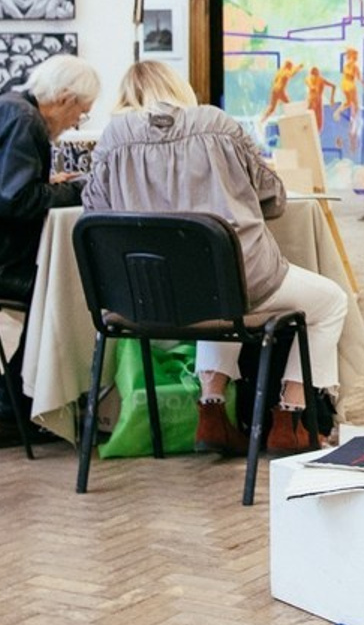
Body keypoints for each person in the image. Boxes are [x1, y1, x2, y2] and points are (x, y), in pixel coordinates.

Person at [82, 62, 349, 457]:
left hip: (142, 296)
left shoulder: (112, 140)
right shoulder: (218, 126)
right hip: (232, 287)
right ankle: (289, 419)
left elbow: (94, 211)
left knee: (209, 286)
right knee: (329, 302)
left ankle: (212, 412)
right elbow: (273, 198)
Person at [0, 54, 100, 441]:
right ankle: (19, 405)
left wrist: (49, 183)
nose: (76, 122)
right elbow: (17, 200)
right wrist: (77, 189)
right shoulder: (26, 120)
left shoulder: (12, 106)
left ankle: (21, 400)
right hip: (7, 264)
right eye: (81, 112)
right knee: (64, 292)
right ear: (63, 98)